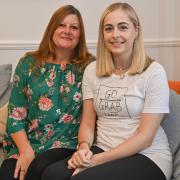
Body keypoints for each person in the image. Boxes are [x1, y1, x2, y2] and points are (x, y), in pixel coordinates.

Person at [41, 2, 173, 180]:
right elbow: (88, 123)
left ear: (136, 31)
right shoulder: (92, 71)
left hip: (148, 155)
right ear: (102, 34)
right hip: (102, 148)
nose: (115, 35)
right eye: (109, 29)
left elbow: (145, 138)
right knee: (53, 174)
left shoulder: (154, 72)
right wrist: (83, 149)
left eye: (123, 27)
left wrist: (97, 161)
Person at [0, 5, 94, 180]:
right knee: (7, 174)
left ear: (80, 35)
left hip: (67, 143)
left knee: (39, 168)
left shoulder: (89, 67)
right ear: (52, 29)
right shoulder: (28, 63)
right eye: (61, 25)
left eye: (74, 27)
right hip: (28, 142)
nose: (67, 31)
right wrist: (25, 150)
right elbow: (15, 116)